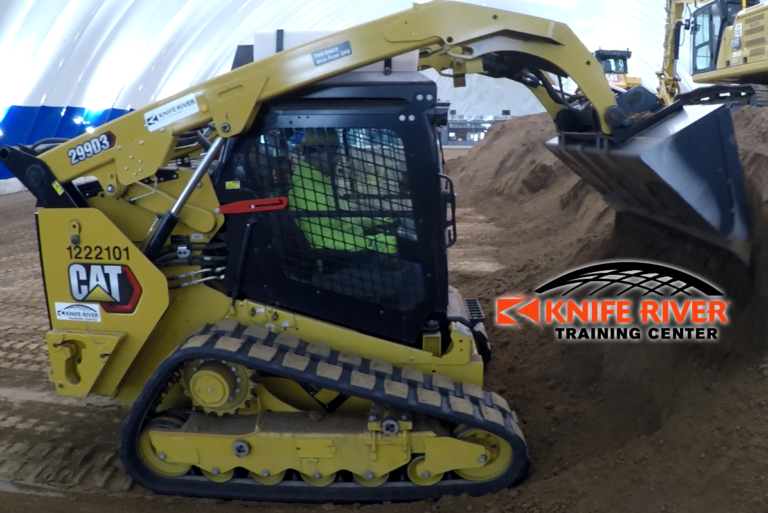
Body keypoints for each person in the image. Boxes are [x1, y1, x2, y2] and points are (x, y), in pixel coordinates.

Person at [287, 128, 405, 302]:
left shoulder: (320, 181)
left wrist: (377, 220)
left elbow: (342, 220)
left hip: (350, 251)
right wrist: (376, 243)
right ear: (313, 153)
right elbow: (322, 239)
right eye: (332, 152)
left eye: (337, 151)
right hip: (336, 263)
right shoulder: (306, 189)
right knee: (412, 272)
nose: (337, 159)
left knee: (405, 247)